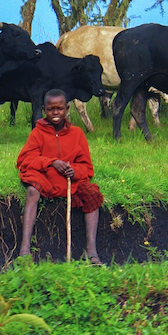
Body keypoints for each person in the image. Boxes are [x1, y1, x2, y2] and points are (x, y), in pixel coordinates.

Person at [16, 88, 104, 264]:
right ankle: (25, 248)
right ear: (43, 109)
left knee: (92, 194)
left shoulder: (77, 134)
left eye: (60, 108)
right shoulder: (38, 132)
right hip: (46, 178)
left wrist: (75, 171)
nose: (55, 113)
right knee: (32, 190)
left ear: (68, 108)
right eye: (50, 109)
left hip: (70, 182)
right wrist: (51, 162)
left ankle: (92, 251)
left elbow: (86, 167)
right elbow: (25, 159)